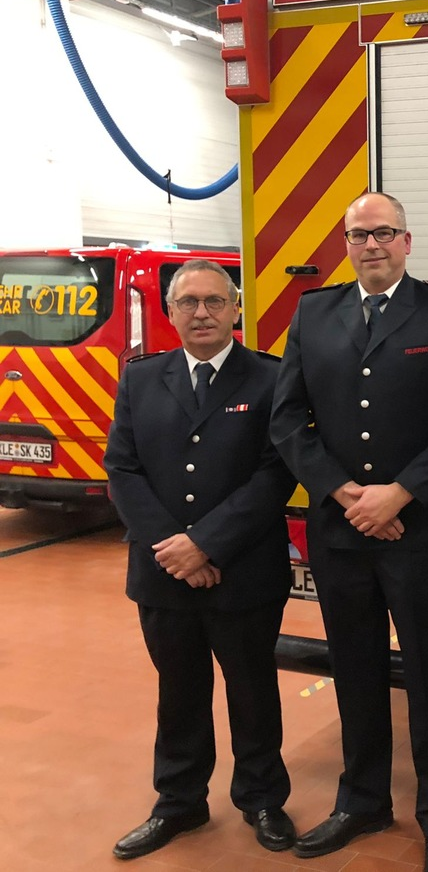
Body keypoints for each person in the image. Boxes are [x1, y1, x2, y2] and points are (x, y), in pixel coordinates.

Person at [270, 192, 428, 871]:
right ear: (346, 244)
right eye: (359, 235)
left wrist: (399, 494)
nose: (372, 245)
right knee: (355, 670)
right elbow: (287, 418)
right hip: (341, 529)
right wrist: (342, 491)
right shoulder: (314, 312)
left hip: (422, 528)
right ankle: (362, 800)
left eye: (384, 232)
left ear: (407, 241)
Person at [104, 260, 297, 860]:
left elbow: (277, 473)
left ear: (236, 308)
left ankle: (262, 798)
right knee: (178, 691)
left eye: (215, 301)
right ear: (170, 312)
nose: (202, 313)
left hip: (245, 572)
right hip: (163, 572)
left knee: (252, 689)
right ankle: (179, 801)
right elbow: (122, 469)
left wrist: (207, 544)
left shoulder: (271, 378)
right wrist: (176, 548)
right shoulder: (140, 379)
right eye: (188, 302)